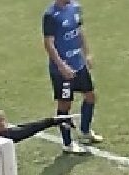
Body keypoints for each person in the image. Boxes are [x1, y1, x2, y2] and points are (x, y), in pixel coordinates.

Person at [42, 0, 103, 154]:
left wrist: (87, 53)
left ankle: (85, 132)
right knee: (65, 105)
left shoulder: (75, 7)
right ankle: (67, 144)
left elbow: (79, 31)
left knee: (90, 96)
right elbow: (49, 44)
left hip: (78, 64)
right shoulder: (50, 15)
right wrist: (61, 66)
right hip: (62, 71)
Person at [0, 109, 76, 143]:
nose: (4, 124)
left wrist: (54, 121)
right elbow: (26, 130)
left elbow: (28, 128)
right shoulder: (3, 136)